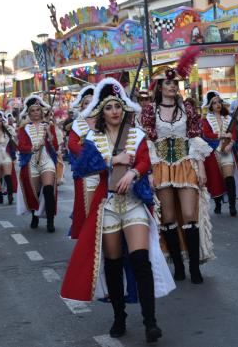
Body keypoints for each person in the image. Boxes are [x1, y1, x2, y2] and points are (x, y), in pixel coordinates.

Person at [60, 78, 175, 343]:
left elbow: (145, 160)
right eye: (109, 107)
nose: (114, 111)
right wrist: (114, 159)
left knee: (140, 260)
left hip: (134, 202)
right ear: (102, 111)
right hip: (108, 206)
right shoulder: (92, 137)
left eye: (118, 106)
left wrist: (133, 171)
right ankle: (119, 316)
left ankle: (150, 322)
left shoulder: (137, 134)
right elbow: (83, 167)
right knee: (112, 263)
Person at [140, 46, 215, 284]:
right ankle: (179, 266)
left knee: (190, 214)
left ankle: (194, 267)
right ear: (159, 87)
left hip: (185, 163)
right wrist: (149, 171)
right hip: (161, 165)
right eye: (167, 83)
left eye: (175, 84)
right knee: (169, 218)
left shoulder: (188, 108)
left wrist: (200, 166)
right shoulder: (149, 111)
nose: (173, 86)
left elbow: (194, 137)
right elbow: (147, 142)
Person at [201, 90, 238, 216]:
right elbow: (207, 134)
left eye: (219, 102)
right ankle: (217, 203)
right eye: (214, 103)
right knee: (216, 180)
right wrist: (222, 135)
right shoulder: (206, 120)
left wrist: (231, 144)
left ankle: (232, 206)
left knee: (229, 178)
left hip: (227, 152)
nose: (218, 104)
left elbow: (233, 133)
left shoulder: (228, 118)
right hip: (214, 153)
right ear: (210, 106)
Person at [17, 96, 59, 232]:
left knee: (48, 189)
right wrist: (33, 148)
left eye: (38, 110)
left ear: (42, 112)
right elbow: (21, 146)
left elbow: (56, 146)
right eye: (33, 110)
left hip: (46, 160)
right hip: (31, 161)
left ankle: (50, 221)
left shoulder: (49, 126)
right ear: (28, 113)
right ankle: (35, 216)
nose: (36, 112)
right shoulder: (23, 129)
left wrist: (49, 135)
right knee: (34, 192)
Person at [67, 85, 96, 239]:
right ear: (82, 105)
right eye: (86, 102)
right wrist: (88, 156)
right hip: (87, 172)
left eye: (93, 102)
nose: (90, 105)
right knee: (89, 209)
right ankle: (90, 240)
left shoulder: (105, 118)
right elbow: (72, 144)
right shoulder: (77, 123)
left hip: (107, 169)